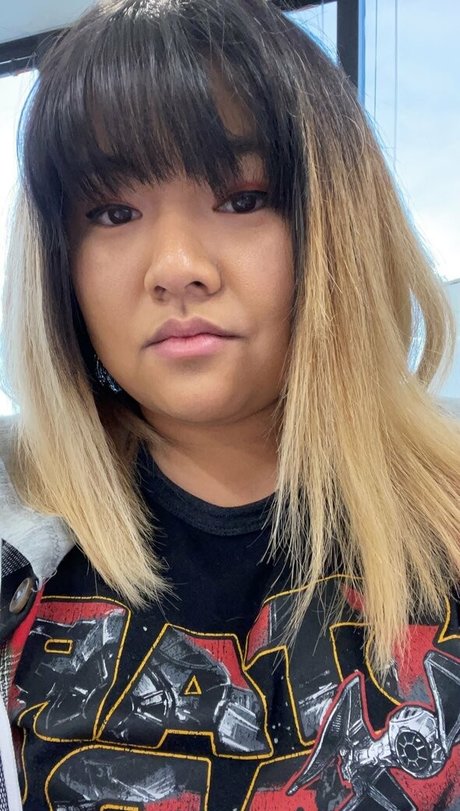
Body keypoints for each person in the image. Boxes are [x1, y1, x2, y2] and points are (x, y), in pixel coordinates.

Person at [0, 0, 459, 808]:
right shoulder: (17, 542)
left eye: (243, 198)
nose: (177, 266)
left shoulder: (446, 522)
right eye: (112, 212)